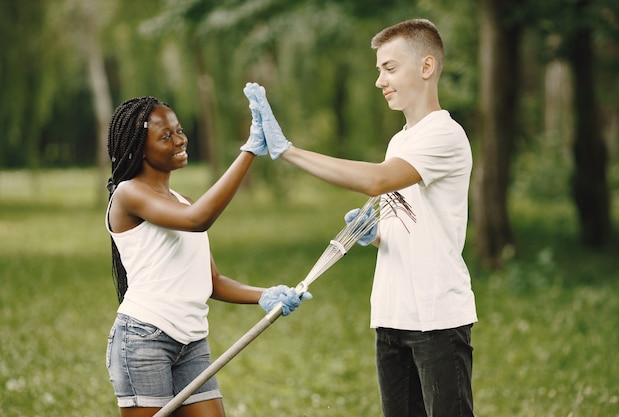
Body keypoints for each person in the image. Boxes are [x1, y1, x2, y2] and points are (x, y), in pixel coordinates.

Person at [245, 18, 476, 417]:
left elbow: (378, 180)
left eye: (389, 68)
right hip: (392, 315)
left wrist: (289, 152)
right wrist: (375, 236)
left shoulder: (445, 134)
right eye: (378, 71)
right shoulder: (400, 140)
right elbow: (413, 223)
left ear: (426, 67)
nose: (379, 81)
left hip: (436, 318)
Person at [105, 93, 310, 417]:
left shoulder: (182, 201)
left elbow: (210, 280)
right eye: (166, 136)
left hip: (192, 342)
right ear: (140, 147)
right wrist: (249, 152)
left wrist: (265, 295)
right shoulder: (129, 194)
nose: (180, 139)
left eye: (179, 130)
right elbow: (197, 220)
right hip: (145, 340)